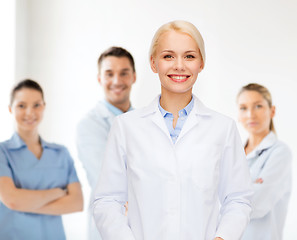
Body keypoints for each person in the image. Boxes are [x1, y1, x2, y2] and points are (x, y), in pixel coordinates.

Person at [93, 20, 253, 240]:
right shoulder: (126, 127)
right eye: (168, 56)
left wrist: (222, 238)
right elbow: (107, 201)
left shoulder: (222, 129)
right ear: (153, 63)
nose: (179, 65)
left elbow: (238, 199)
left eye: (189, 56)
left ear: (201, 63)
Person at [0, 79, 83, 240]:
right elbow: (12, 201)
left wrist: (25, 203)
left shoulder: (61, 153)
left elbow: (77, 203)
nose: (30, 112)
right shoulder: (3, 152)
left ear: (44, 107)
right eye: (21, 106)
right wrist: (57, 193)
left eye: (36, 105)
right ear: (10, 109)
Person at [76, 46, 136, 240]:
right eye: (109, 74)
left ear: (133, 77)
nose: (117, 81)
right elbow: (109, 177)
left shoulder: (147, 122)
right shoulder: (89, 125)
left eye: (124, 73)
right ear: (99, 78)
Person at [237, 83, 292, 240]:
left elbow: (256, 203)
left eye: (258, 106)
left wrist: (223, 191)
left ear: (272, 111)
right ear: (238, 116)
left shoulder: (280, 153)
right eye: (243, 108)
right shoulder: (232, 153)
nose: (250, 115)